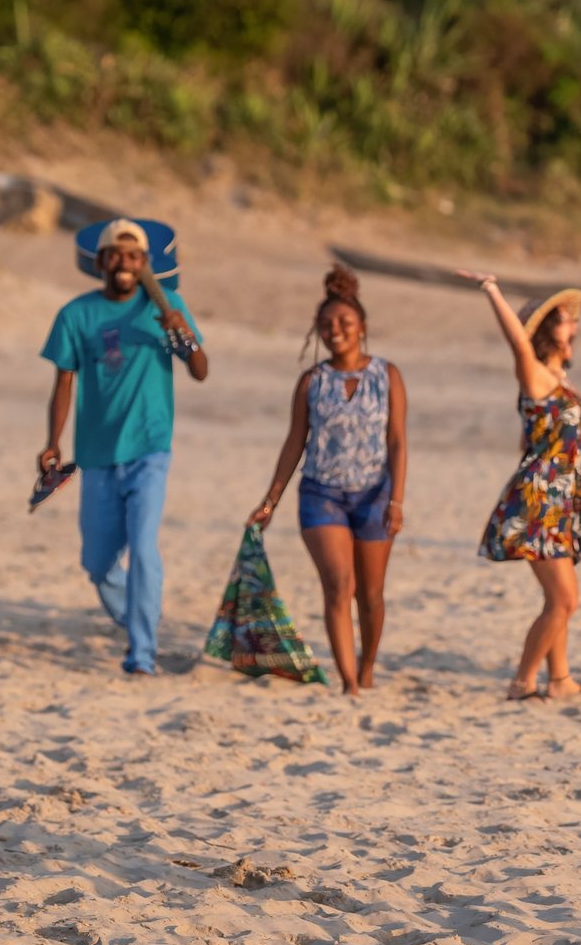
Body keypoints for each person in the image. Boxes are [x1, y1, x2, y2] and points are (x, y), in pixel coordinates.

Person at [37, 218, 209, 676]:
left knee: (144, 546)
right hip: (96, 454)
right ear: (101, 262)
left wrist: (181, 332)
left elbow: (200, 370)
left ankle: (142, 654)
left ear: (147, 264)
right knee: (96, 562)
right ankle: (140, 614)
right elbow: (64, 382)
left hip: (150, 447)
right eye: (116, 255)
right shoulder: (76, 315)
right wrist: (53, 442)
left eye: (135, 256)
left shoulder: (166, 305)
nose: (125, 263)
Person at [246, 265, 407, 695]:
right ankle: (350, 683)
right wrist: (270, 501)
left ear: (362, 328)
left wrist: (397, 500)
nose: (335, 330)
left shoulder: (387, 376)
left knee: (370, 596)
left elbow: (397, 441)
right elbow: (294, 443)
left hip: (375, 495)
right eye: (326, 324)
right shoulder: (311, 381)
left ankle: (367, 666)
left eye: (344, 323)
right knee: (339, 584)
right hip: (321, 494)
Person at [458, 270, 581, 701]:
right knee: (565, 600)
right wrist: (493, 290)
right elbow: (516, 343)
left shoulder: (562, 383)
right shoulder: (537, 375)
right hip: (539, 501)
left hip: (561, 500)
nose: (574, 327)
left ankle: (560, 679)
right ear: (546, 331)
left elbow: (541, 440)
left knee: (556, 599)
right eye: (565, 320)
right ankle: (522, 682)